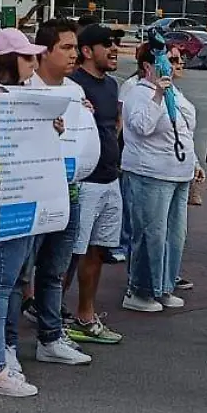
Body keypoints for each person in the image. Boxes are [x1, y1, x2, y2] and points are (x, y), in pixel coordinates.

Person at [0, 29, 47, 397]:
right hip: (2, 202)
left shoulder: (4, 95)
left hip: (14, 200)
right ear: (8, 60)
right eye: (27, 57)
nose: (34, 65)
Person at [24, 19, 96, 368]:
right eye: (65, 48)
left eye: (74, 47)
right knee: (22, 271)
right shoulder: (27, 89)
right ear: (45, 51)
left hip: (71, 189)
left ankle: (50, 337)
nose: (73, 55)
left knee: (55, 269)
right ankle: (4, 344)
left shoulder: (75, 91)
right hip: (34, 191)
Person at [119, 36, 196, 313]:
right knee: (151, 234)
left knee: (175, 235)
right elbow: (141, 126)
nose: (174, 66)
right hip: (150, 173)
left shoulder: (176, 92)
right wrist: (158, 95)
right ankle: (140, 289)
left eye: (175, 60)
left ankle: (163, 286)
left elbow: (185, 129)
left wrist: (194, 162)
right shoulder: (136, 92)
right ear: (148, 66)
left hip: (178, 172)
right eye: (168, 61)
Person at [66, 23, 125, 346]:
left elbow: (114, 127)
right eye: (107, 44)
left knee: (96, 252)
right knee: (68, 255)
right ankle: (54, 319)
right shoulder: (73, 85)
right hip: (83, 184)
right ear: (87, 51)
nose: (114, 49)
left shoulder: (112, 85)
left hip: (110, 180)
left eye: (115, 43)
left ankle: (85, 316)